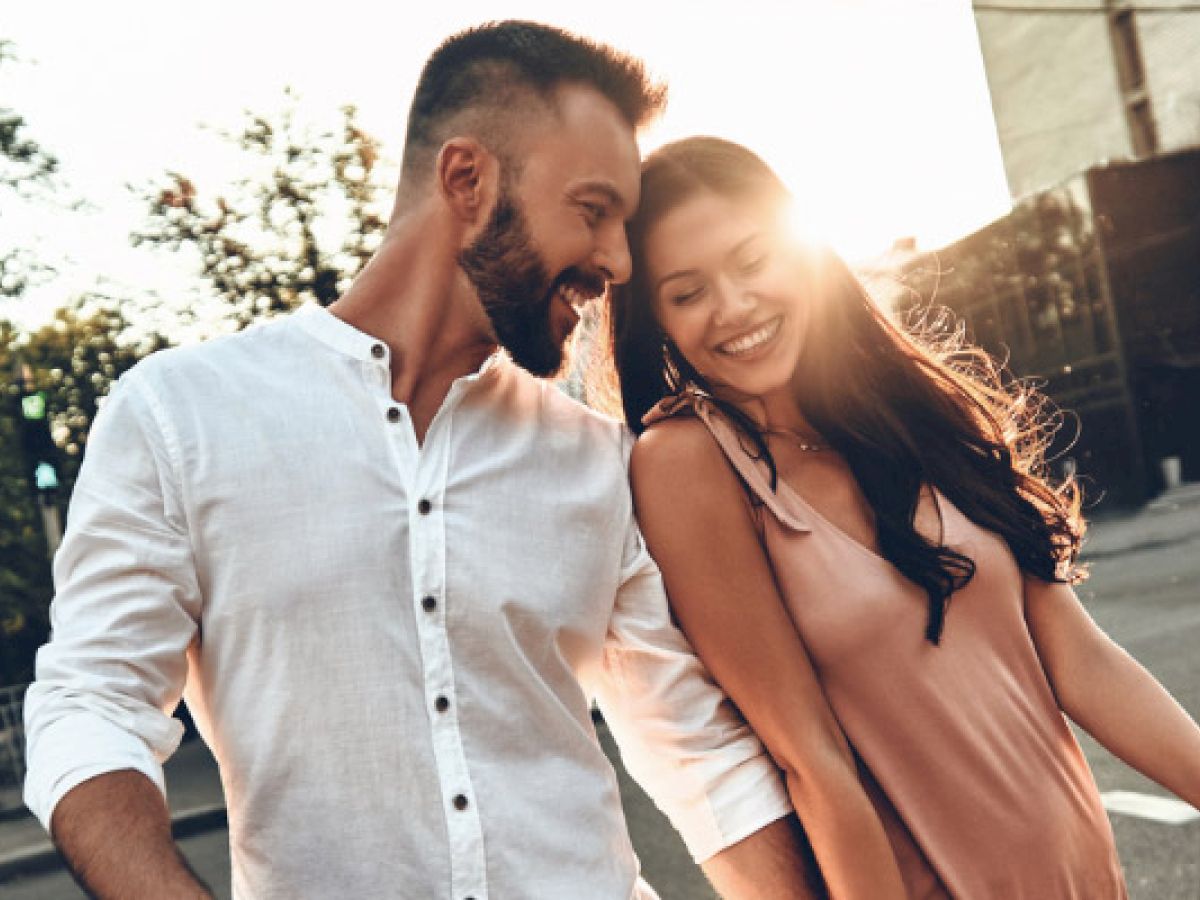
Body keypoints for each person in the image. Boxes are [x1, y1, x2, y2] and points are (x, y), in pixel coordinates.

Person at [22, 26, 824, 900]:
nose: (619, 263)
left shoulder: (593, 456)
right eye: (593, 211)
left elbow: (703, 760)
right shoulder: (180, 416)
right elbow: (91, 710)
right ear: (468, 182)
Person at [606, 136, 1200, 898]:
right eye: (688, 292)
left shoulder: (909, 415)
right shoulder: (687, 463)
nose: (735, 306)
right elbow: (809, 759)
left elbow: (1082, 662)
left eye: (753, 262)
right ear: (656, 319)